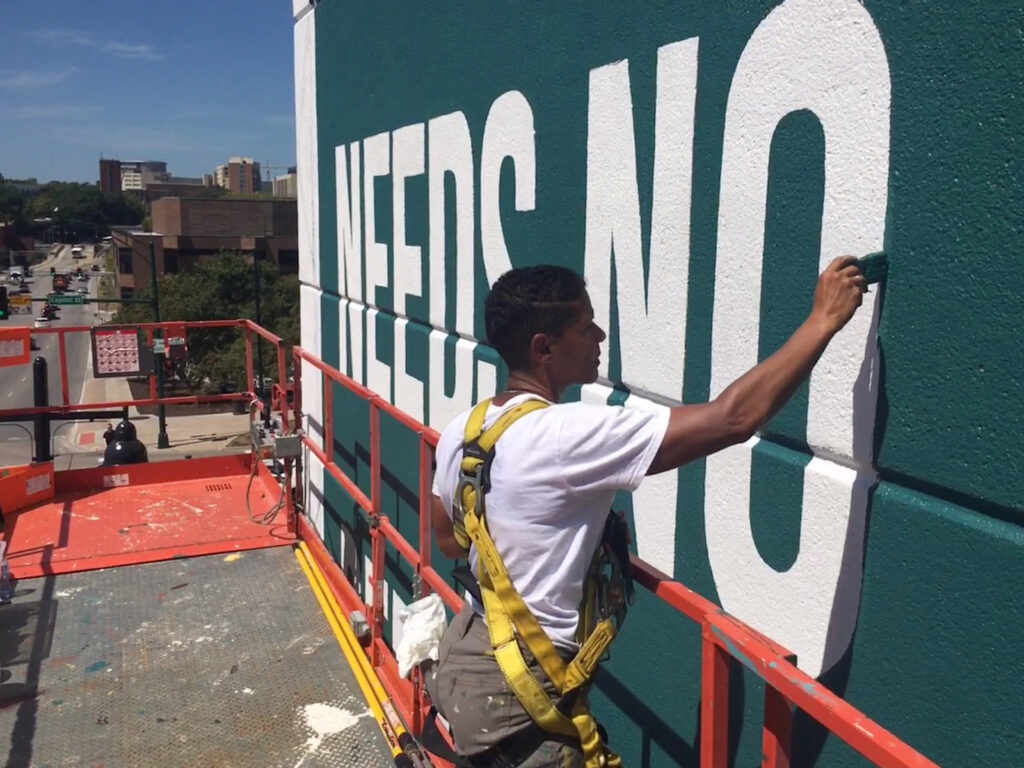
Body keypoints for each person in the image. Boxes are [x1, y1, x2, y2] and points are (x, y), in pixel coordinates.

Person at [426, 258, 868, 767]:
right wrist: (822, 320)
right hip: (528, 693)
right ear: (544, 348)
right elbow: (733, 419)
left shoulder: (465, 429)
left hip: (479, 659)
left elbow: (449, 540)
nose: (599, 334)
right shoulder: (568, 434)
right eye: (584, 325)